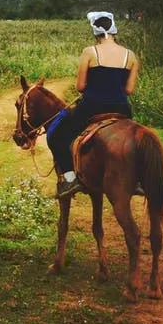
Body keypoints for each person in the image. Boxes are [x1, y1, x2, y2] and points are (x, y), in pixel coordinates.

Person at [47, 12, 139, 198]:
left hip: (92, 107)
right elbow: (129, 90)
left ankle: (71, 179)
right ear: (114, 30)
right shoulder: (131, 56)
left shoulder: (90, 52)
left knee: (57, 135)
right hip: (122, 108)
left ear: (95, 32)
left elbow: (80, 87)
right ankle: (137, 180)